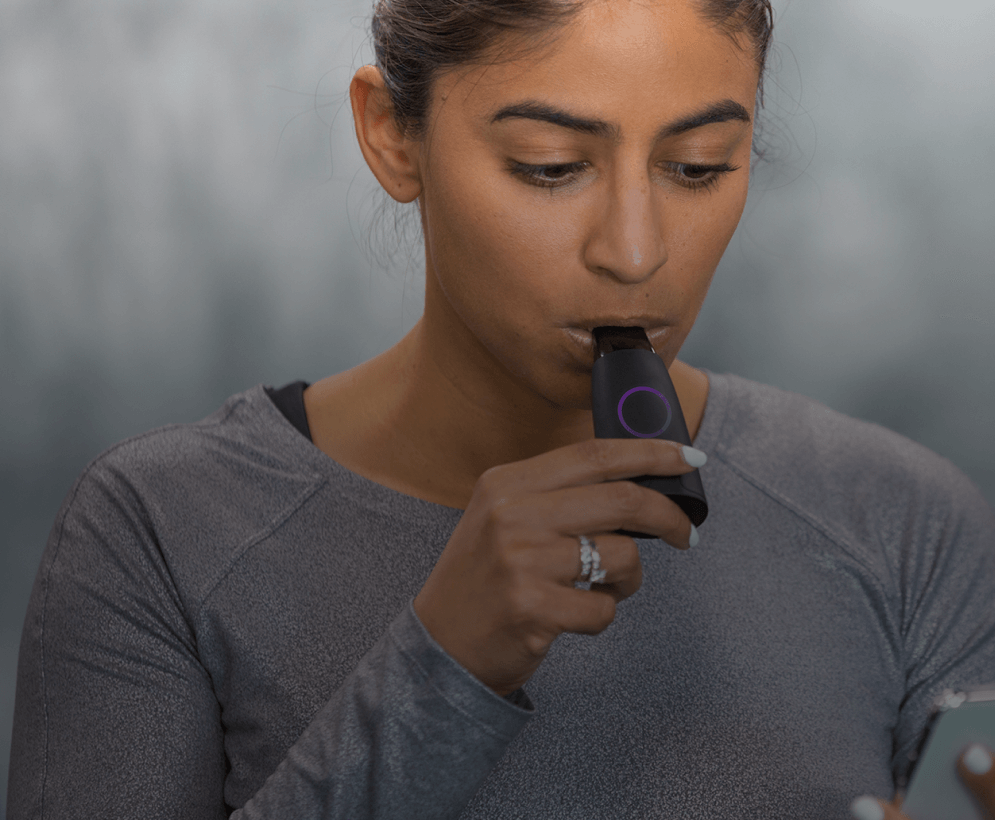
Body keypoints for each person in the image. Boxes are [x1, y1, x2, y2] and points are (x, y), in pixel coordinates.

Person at [7, 0, 995, 817]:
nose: (634, 250)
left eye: (695, 166)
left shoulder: (903, 523)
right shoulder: (157, 531)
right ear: (393, 133)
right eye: (549, 166)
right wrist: (443, 663)